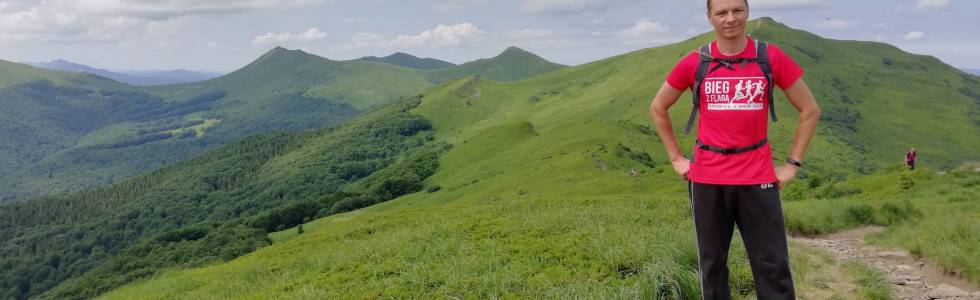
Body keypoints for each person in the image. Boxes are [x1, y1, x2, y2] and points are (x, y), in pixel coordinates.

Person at [648, 0, 820, 299]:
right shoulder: (695, 61)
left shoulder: (769, 57)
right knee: (712, 266)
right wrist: (676, 157)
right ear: (710, 17)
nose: (730, 18)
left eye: (737, 10)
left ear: (747, 12)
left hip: (758, 178)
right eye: (722, 12)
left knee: (772, 265)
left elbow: (810, 110)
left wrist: (792, 164)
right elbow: (658, 107)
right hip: (707, 179)